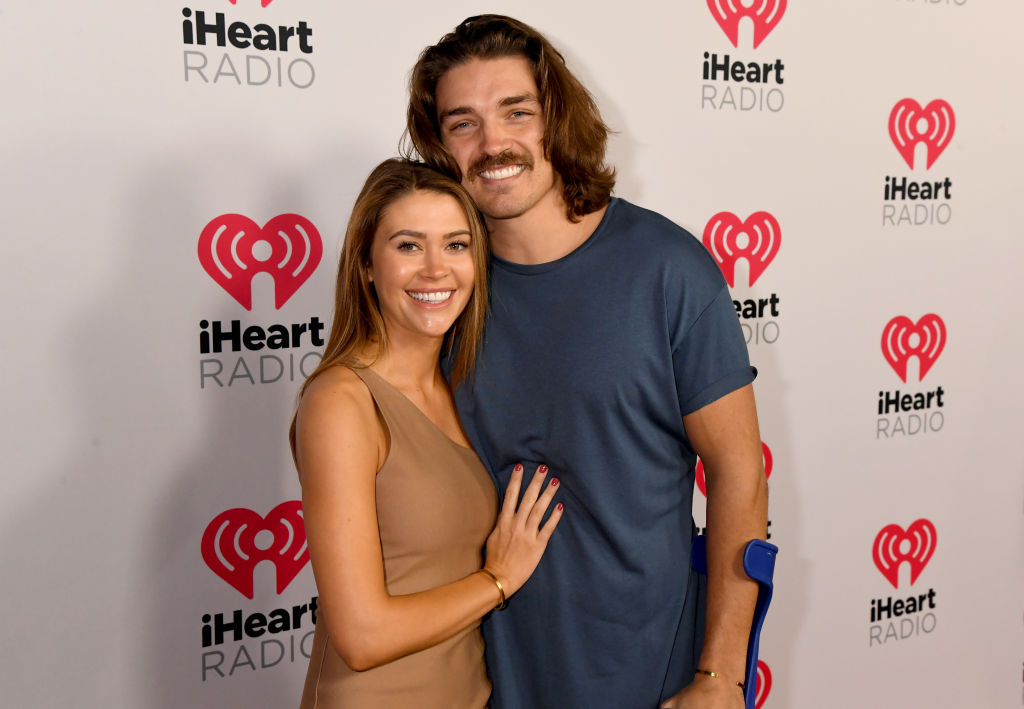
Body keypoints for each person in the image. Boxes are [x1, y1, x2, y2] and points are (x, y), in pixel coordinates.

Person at [405, 15, 769, 709]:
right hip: (479, 674)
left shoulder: (669, 269)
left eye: (516, 112)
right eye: (463, 124)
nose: (493, 144)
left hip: (650, 671)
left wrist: (720, 676)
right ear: (439, 146)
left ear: (556, 119)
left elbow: (738, 475)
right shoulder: (442, 291)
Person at [289, 158, 563, 708]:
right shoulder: (342, 402)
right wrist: (498, 580)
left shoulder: (462, 389)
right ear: (367, 263)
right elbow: (362, 637)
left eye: (456, 245)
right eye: (409, 246)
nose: (436, 269)